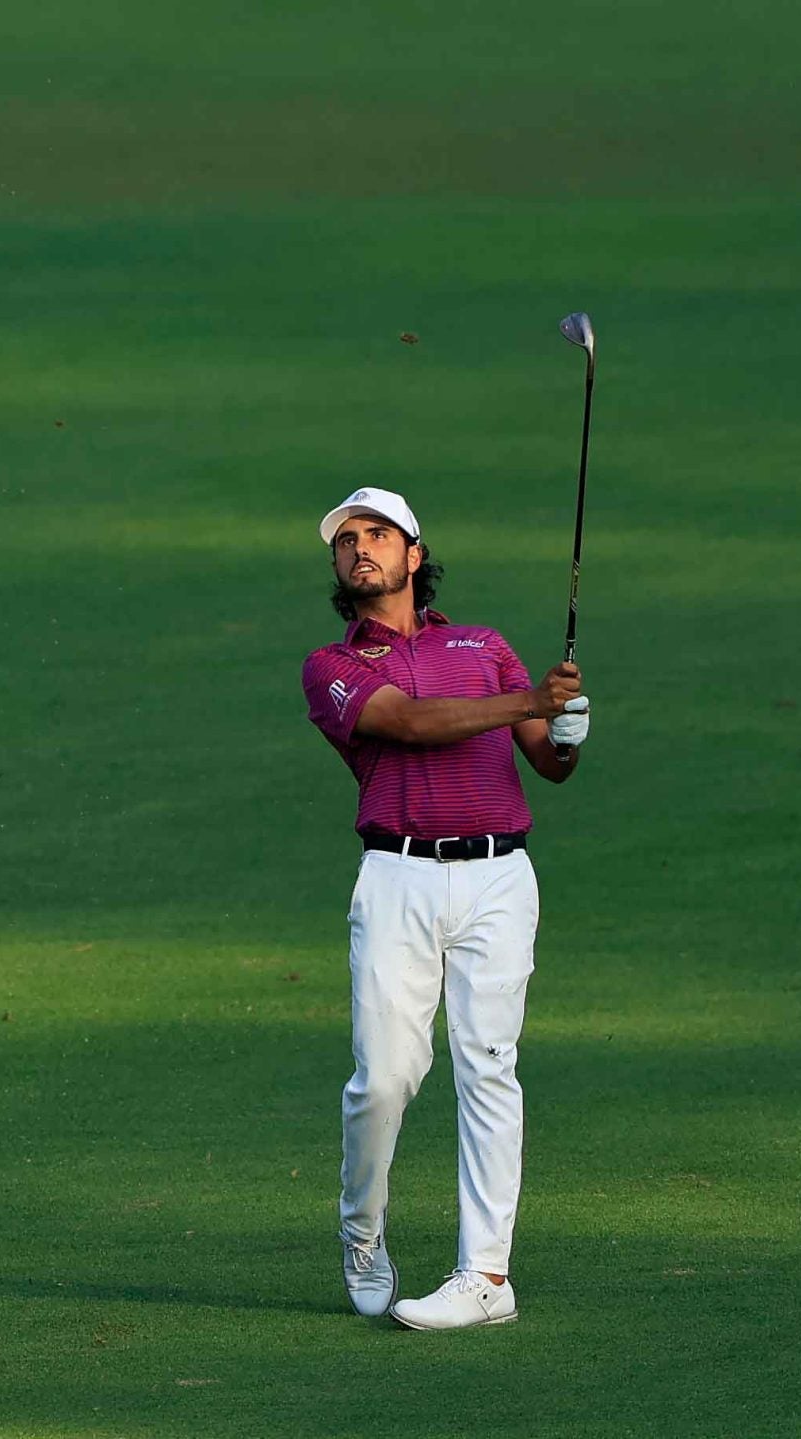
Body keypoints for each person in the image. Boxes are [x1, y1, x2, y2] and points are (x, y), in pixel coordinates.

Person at [298, 486, 590, 1331]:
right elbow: (417, 724)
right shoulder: (334, 667)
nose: (360, 548)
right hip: (398, 877)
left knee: (488, 1063)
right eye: (346, 540)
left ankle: (486, 1275)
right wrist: (532, 702)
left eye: (378, 534)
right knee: (384, 1078)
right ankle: (363, 1229)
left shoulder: (484, 645)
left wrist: (567, 726)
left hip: (501, 875)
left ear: (414, 555)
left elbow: (550, 765)